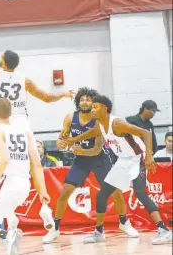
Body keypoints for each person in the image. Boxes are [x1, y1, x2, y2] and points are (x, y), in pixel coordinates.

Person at [60, 94, 172, 245]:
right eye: (91, 107)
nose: (92, 110)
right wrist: (73, 140)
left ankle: (164, 230)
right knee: (102, 195)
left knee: (140, 193)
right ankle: (99, 232)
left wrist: (149, 156)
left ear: (104, 108)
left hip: (138, 158)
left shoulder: (117, 123)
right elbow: (92, 133)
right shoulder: (100, 124)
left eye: (95, 107)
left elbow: (145, 133)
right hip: (123, 160)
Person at [0, 12, 73, 140]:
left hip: (4, 121)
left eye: (1, 57)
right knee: (27, 156)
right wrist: (63, 93)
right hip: (22, 122)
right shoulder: (25, 81)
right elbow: (46, 97)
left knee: (6, 156)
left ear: (4, 63)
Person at [43, 88, 137, 244]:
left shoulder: (99, 121)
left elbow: (96, 149)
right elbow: (62, 140)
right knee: (64, 193)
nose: (85, 102)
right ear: (78, 102)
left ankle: (124, 223)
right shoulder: (69, 118)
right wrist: (61, 144)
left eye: (88, 100)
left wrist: (81, 150)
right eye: (82, 99)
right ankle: (55, 229)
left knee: (116, 193)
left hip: (100, 159)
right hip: (80, 160)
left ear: (93, 104)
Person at [0, 98, 50, 255]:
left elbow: (4, 160)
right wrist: (42, 191)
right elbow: (36, 164)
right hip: (24, 186)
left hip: (8, 183)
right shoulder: (25, 132)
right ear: (11, 114)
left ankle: (8, 234)